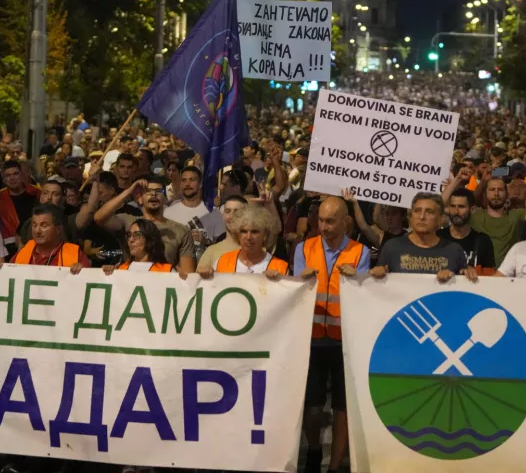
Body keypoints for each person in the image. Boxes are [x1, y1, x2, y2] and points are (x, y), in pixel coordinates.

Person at [293, 195, 370, 473]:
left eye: (330, 221)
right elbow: (295, 290)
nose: (323, 226)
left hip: (344, 341)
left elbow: (362, 294)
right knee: (312, 407)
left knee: (342, 407)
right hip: (311, 339)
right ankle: (314, 449)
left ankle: (336, 465)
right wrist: (300, 279)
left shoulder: (360, 252)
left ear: (345, 222)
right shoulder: (303, 248)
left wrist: (356, 279)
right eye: (321, 220)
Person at [442, 170, 526, 264]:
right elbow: (437, 208)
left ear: (506, 193)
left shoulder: (516, 215)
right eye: (492, 190)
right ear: (485, 194)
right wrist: (457, 179)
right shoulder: (475, 213)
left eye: (500, 190)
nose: (496, 193)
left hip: (505, 277)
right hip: (479, 274)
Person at [93, 177, 196, 274]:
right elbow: (98, 218)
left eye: (159, 191)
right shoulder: (128, 221)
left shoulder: (180, 231)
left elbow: (188, 274)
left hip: (162, 287)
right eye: (148, 191)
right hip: (127, 284)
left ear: (165, 199)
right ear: (139, 198)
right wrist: (129, 191)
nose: (154, 194)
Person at [370, 193, 476, 283]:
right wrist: (377, 274)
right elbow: (377, 288)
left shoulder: (454, 250)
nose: (422, 217)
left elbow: (463, 291)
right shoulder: (392, 247)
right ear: (411, 217)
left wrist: (458, 278)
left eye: (429, 212)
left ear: (441, 219)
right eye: (417, 211)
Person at [198, 204, 288, 277]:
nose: (248, 237)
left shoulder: (280, 267)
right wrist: (205, 276)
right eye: (243, 231)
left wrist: (278, 282)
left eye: (255, 232)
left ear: (265, 235)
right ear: (237, 234)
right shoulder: (223, 261)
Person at [0, 204, 87, 271]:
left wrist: (83, 273)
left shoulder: (74, 254)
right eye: (34, 225)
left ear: (58, 229)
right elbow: (6, 276)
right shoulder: (25, 251)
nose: (37, 231)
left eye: (44, 225)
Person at [437, 187, 496, 274]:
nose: (456, 211)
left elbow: (489, 277)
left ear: (472, 209)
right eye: (453, 206)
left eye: (461, 207)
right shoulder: (438, 237)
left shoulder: (483, 240)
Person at [0, 160, 41, 250]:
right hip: (10, 247)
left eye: (15, 174)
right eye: (8, 175)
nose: (12, 178)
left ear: (21, 175)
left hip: (37, 241)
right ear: (3, 179)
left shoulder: (37, 193)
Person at [102, 219, 174, 273]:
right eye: (129, 235)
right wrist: (107, 273)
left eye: (137, 235)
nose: (131, 240)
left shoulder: (167, 271)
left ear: (150, 239)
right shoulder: (121, 269)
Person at [197, 195, 248, 270]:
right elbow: (197, 280)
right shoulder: (211, 252)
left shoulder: (256, 249)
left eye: (237, 211)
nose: (231, 216)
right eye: (227, 211)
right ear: (223, 216)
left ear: (247, 215)